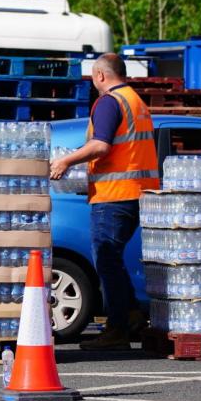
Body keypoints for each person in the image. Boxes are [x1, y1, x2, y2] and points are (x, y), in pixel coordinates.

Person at [49, 53, 159, 350]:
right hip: (135, 193)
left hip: (115, 196)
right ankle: (132, 314)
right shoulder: (135, 100)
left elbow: (100, 144)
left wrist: (66, 161)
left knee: (107, 260)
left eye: (93, 78)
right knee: (112, 260)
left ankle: (117, 328)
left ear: (100, 76)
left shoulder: (110, 102)